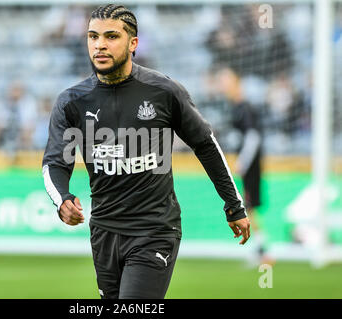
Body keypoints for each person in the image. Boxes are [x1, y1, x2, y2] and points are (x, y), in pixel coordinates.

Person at [42, 4, 250, 299]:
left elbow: (205, 144)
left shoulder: (164, 91)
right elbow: (54, 164)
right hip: (104, 231)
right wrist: (62, 199)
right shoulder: (71, 102)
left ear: (133, 43)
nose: (100, 44)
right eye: (93, 36)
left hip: (155, 230)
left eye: (111, 36)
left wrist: (233, 204)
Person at [215, 67, 273, 266]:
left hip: (251, 164)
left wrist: (244, 161)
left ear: (236, 82)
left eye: (226, 81)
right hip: (248, 163)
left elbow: (253, 137)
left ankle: (263, 251)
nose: (223, 86)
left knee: (249, 205)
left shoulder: (245, 107)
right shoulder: (235, 107)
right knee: (249, 206)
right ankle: (261, 249)